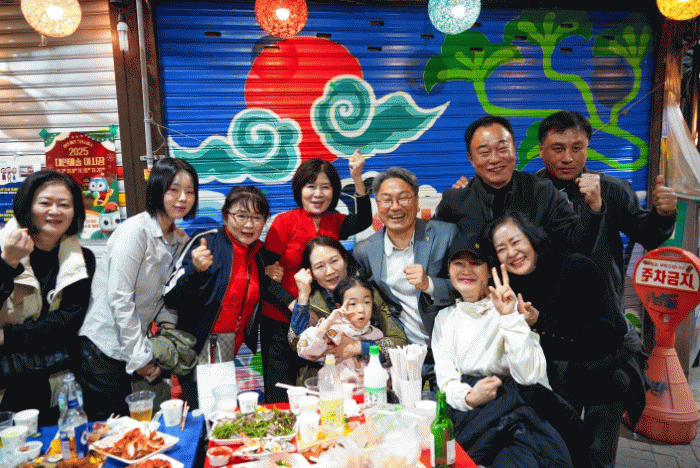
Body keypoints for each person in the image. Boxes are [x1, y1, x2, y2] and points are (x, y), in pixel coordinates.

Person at [486, 211, 633, 468]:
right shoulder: (507, 287)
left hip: (602, 369)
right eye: (501, 248)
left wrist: (541, 321)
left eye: (516, 241)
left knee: (597, 458)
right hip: (557, 377)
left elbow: (608, 333)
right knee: (561, 451)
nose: (511, 253)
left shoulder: (575, 265)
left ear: (531, 238)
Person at [431, 233, 587, 468]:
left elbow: (528, 376)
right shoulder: (445, 319)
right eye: (458, 264)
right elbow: (446, 378)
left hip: (521, 413)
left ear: (489, 271)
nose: (466, 271)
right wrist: (469, 397)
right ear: (449, 270)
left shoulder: (510, 308)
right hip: (472, 413)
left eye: (475, 263)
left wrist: (509, 317)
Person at [77, 157, 198, 421]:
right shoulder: (134, 232)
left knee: (143, 429)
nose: (182, 198)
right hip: (103, 348)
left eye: (190, 191)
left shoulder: (180, 239)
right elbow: (119, 298)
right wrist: (141, 358)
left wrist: (165, 337)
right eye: (174, 189)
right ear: (157, 190)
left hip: (136, 345)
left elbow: (169, 293)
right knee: (110, 430)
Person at [535, 110, 677, 319]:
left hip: (602, 314)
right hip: (543, 313)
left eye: (577, 148)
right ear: (541, 150)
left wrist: (663, 214)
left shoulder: (612, 190)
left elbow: (649, 236)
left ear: (587, 148)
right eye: (558, 149)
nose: (567, 158)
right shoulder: (527, 193)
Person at [163, 186, 291, 408]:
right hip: (196, 345)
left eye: (256, 218)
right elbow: (170, 297)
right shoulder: (206, 243)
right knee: (200, 412)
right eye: (241, 216)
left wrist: (293, 302)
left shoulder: (258, 253)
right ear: (225, 216)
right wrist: (194, 270)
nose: (249, 225)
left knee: (220, 411)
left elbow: (263, 285)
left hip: (226, 345)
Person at [262, 153, 371, 402]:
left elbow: (364, 219)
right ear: (299, 190)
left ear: (334, 191)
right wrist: (292, 304)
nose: (318, 194)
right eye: (310, 187)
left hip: (319, 326)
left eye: (325, 187)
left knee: (317, 391)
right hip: (280, 321)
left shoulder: (336, 222)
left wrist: (357, 177)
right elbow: (265, 277)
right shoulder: (283, 222)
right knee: (280, 394)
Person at [0, 171, 95, 425]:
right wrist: (7, 263)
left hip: (55, 383)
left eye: (64, 204)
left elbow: (67, 322)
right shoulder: (3, 249)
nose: (55, 211)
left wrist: (6, 336)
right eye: (45, 203)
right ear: (27, 206)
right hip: (6, 383)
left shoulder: (81, 259)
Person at [434, 115, 602, 253]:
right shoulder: (455, 201)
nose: (495, 159)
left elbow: (578, 245)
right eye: (484, 152)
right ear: (471, 159)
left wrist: (594, 207)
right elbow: (436, 251)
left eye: (502, 149)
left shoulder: (543, 192)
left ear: (514, 150)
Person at [354, 167, 457, 388]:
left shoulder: (446, 235)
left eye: (403, 198)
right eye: (386, 200)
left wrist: (429, 284)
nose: (395, 207)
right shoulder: (366, 250)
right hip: (403, 354)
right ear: (378, 205)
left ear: (417, 200)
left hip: (449, 349)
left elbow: (467, 290)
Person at [289, 236, 406, 384]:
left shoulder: (366, 293)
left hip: (368, 383)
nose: (330, 271)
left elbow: (399, 341)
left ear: (345, 259)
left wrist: (358, 347)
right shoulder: (309, 302)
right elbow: (296, 344)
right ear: (310, 272)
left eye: (334, 261)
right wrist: (303, 296)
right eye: (319, 266)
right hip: (323, 384)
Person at [296, 276, 384, 384]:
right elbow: (304, 350)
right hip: (335, 390)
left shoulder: (377, 334)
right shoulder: (333, 331)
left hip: (367, 390)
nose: (361, 310)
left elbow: (384, 362)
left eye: (366, 302)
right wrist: (328, 323)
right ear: (339, 307)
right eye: (353, 304)